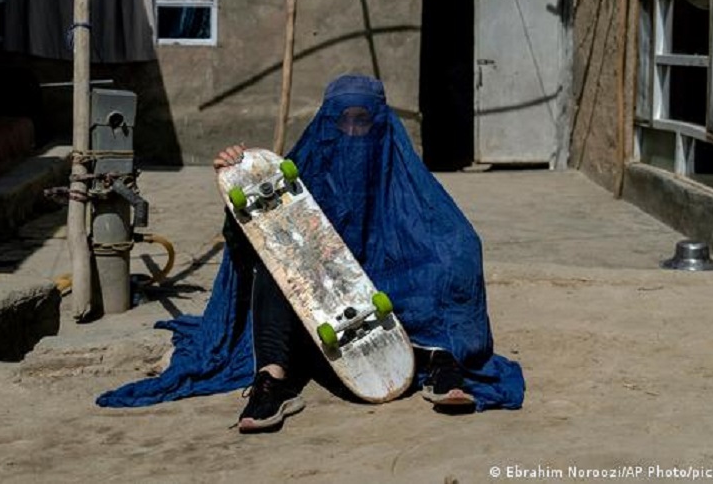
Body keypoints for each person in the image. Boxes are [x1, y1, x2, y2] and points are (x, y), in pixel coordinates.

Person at [97, 74, 525, 433]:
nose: (354, 132)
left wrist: (449, 260)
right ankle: (272, 383)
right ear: (326, 124)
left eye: (364, 121)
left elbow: (448, 233)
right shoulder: (306, 170)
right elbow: (252, 236)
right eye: (344, 122)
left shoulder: (400, 174)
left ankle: (441, 360)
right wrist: (235, 176)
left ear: (382, 123)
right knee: (275, 266)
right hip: (319, 311)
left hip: (385, 307)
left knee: (447, 259)